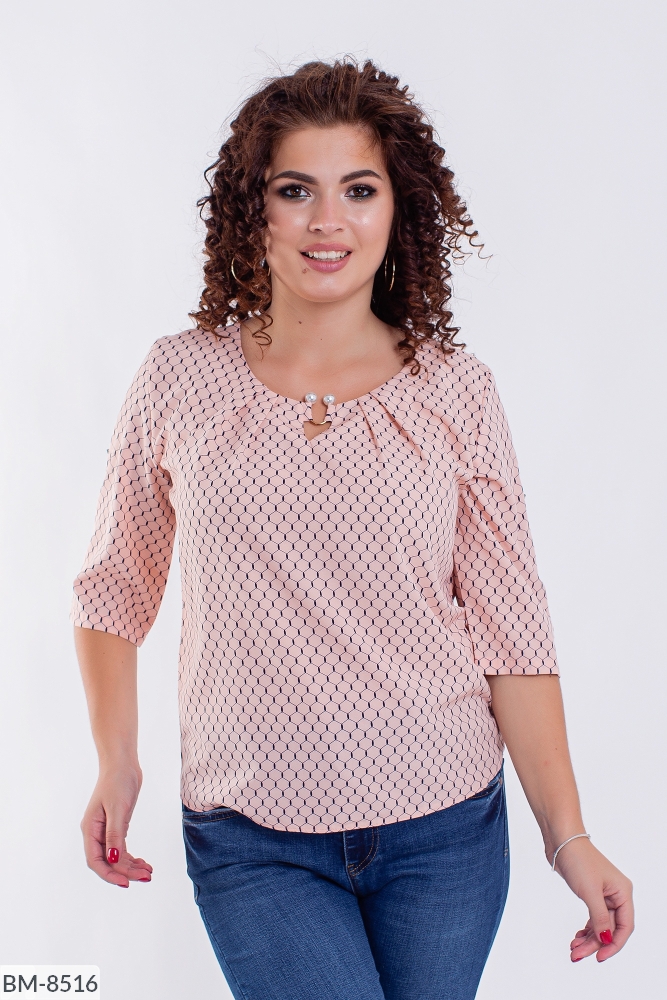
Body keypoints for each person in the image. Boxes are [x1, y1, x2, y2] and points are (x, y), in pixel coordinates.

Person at [72, 59, 634, 1000]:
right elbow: (112, 589)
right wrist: (115, 763)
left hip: (445, 833)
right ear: (252, 209)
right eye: (295, 190)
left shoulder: (457, 392)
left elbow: (512, 632)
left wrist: (566, 836)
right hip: (250, 837)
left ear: (398, 208)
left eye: (358, 190)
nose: (327, 221)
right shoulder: (178, 378)